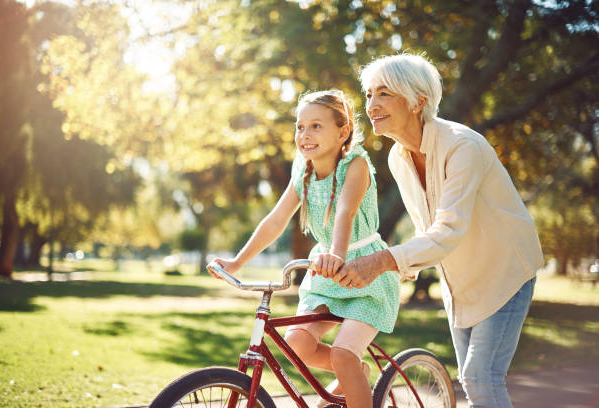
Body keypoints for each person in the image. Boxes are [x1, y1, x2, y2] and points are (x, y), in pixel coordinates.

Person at [331, 54, 544, 408]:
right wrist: (401, 270)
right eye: (368, 94)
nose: (371, 105)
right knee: (473, 382)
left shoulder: (462, 146)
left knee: (481, 378)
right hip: (459, 280)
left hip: (506, 272)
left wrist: (384, 261)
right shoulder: (398, 157)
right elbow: (426, 228)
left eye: (384, 93)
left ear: (418, 101)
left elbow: (448, 229)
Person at [211, 90, 400, 408]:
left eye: (315, 126)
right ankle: (354, 371)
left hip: (363, 273)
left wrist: (337, 255)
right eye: (300, 127)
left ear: (343, 132)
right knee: (296, 345)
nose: (305, 134)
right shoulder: (303, 170)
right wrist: (237, 263)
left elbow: (345, 212)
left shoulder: (355, 164)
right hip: (326, 274)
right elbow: (276, 220)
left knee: (342, 352)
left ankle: (348, 367)